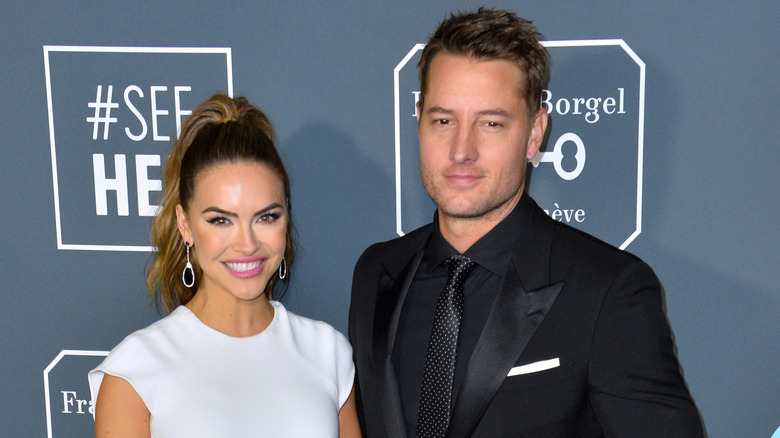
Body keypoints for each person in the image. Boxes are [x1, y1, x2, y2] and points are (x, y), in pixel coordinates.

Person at [349, 8, 704, 437]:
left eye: (492, 123)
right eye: (444, 120)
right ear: (420, 119)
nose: (462, 150)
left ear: (535, 132)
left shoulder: (608, 292)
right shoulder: (377, 272)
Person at [89, 94, 361, 437]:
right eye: (220, 220)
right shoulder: (136, 371)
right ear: (185, 225)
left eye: (266, 217)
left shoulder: (327, 352)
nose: (247, 244)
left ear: (286, 217)